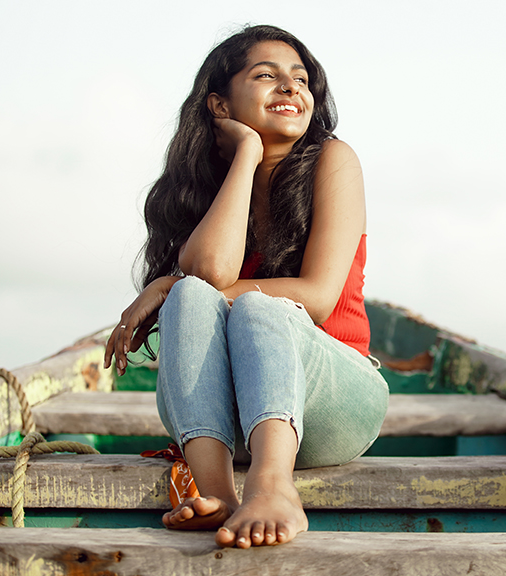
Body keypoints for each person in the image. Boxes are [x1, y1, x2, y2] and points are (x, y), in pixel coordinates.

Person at [103, 25, 388, 549]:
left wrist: (167, 284)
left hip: (333, 403)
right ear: (218, 103)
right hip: (224, 422)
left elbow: (319, 296)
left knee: (258, 305)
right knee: (193, 293)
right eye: (266, 76)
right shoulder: (213, 186)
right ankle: (217, 495)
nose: (291, 88)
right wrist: (248, 154)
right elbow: (208, 273)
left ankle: (273, 486)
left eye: (301, 80)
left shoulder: (333, 160)